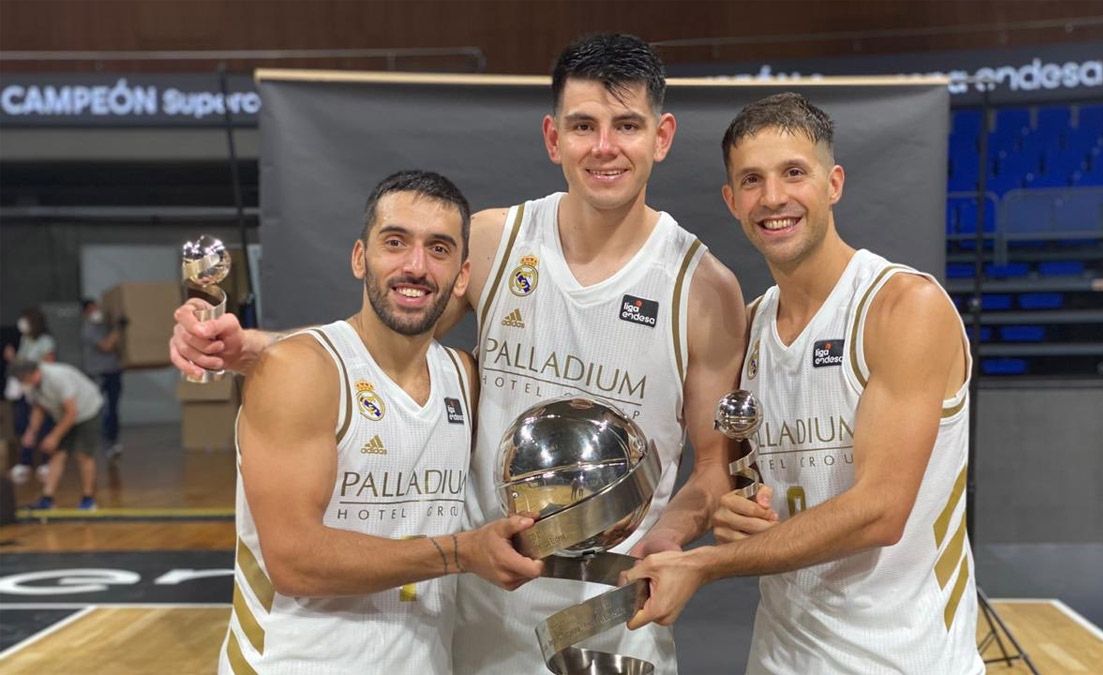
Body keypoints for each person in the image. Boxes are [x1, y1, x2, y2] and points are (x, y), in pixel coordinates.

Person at [171, 34, 745, 673]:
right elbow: (388, 346)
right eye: (583, 125)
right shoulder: (496, 242)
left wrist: (669, 538)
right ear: (554, 139)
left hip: (609, 612)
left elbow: (713, 468)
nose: (604, 147)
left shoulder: (706, 290)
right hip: (478, 607)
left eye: (626, 126)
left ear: (661, 137)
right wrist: (253, 346)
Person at [625, 93, 984, 674]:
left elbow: (880, 512)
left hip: (903, 660)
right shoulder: (751, 327)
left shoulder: (901, 307)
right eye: (751, 180)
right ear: (732, 201)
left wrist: (707, 565)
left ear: (833, 182)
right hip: (780, 656)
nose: (773, 198)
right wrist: (685, 529)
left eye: (794, 173)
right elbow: (723, 474)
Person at [217, 170, 543, 673]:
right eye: (396, 242)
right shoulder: (300, 370)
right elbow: (294, 558)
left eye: (438, 249)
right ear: (359, 258)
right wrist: (461, 552)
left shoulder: (464, 377)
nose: (415, 266)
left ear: (461, 276)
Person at [10, 359, 104, 511]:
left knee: (83, 455)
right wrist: (31, 432)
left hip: (87, 411)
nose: (23, 383)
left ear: (33, 373)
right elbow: (38, 408)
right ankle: (47, 498)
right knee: (57, 454)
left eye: (24, 379)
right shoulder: (31, 385)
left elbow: (72, 412)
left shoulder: (57, 378)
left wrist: (54, 436)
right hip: (63, 415)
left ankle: (88, 498)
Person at [5, 307, 57, 484]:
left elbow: (47, 364)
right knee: (24, 425)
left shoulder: (46, 341)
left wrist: (26, 366)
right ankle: (25, 461)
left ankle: (45, 461)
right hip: (25, 388)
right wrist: (13, 359)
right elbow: (21, 364)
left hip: (41, 388)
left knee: (43, 426)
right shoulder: (26, 339)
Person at [80, 298, 124, 460]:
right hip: (98, 373)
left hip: (114, 371)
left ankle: (113, 441)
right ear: (85, 313)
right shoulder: (88, 329)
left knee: (113, 408)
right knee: (101, 409)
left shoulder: (105, 325)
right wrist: (118, 327)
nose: (96, 311)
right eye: (91, 309)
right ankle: (103, 443)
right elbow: (106, 346)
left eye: (96, 308)